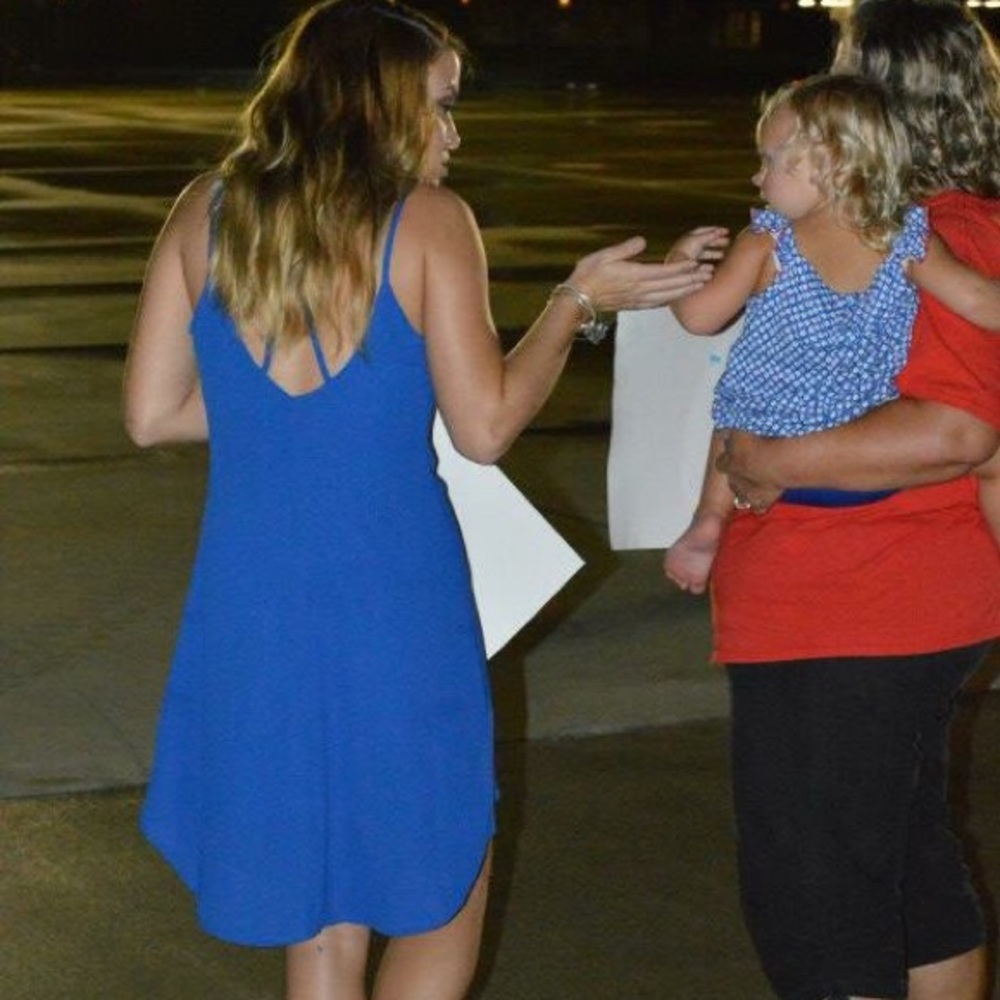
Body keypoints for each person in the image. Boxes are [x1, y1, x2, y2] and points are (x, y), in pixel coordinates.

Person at [122, 2, 715, 998]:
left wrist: (302, 424)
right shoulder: (430, 221)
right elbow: (484, 426)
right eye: (440, 105)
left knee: (318, 907)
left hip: (251, 604)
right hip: (392, 606)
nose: (452, 130)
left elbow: (152, 414)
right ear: (382, 104)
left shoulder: (205, 208)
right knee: (440, 878)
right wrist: (575, 305)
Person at [697, 2, 1000, 998]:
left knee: (817, 897)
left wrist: (771, 458)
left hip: (855, 607)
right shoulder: (878, 237)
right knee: (906, 860)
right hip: (877, 609)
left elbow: (955, 430)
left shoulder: (939, 233)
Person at [662, 72, 1000, 595]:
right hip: (858, 443)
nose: (758, 178)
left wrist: (677, 267)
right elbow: (981, 301)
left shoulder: (767, 243)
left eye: (769, 161)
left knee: (735, 408)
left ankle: (708, 521)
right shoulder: (908, 238)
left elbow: (698, 319)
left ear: (828, 165)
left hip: (769, 440)